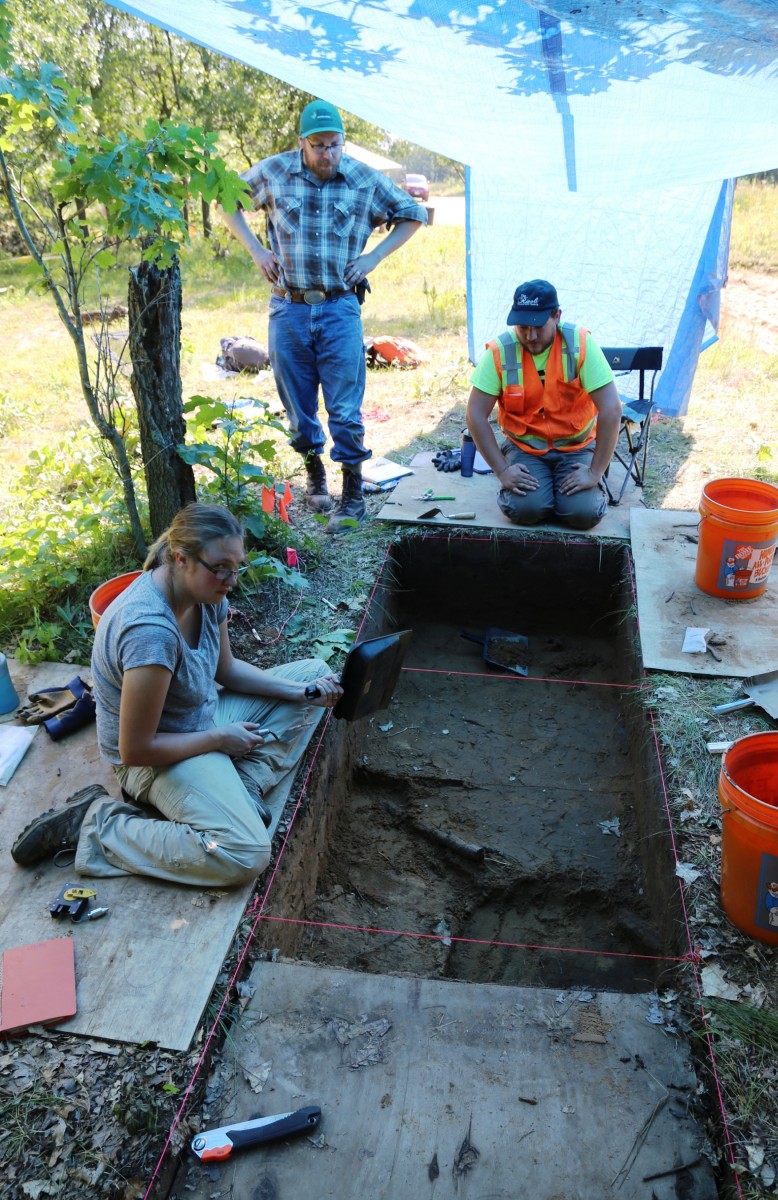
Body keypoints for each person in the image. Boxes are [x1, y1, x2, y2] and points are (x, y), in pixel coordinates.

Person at [11, 504, 342, 887]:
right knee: (244, 852)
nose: (231, 580)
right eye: (221, 568)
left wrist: (302, 692)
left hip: (198, 719)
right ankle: (95, 823)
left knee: (314, 675)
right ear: (181, 558)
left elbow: (227, 671)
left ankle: (244, 783)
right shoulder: (150, 633)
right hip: (152, 760)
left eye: (237, 567)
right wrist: (219, 738)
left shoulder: (208, 595)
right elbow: (135, 749)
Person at [221, 98, 428, 530]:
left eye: (335, 145)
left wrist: (373, 258)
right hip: (289, 307)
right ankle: (315, 475)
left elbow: (413, 214)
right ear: (302, 143)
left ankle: (352, 496)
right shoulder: (275, 171)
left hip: (339, 307)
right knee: (297, 406)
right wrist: (256, 250)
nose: (328, 155)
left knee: (346, 409)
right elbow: (226, 199)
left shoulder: (362, 179)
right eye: (318, 146)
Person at [466, 279, 622, 530]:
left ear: (556, 316)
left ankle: (565, 496)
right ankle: (546, 497)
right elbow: (475, 414)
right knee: (526, 510)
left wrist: (594, 472)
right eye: (523, 327)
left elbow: (612, 410)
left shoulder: (579, 344)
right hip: (525, 449)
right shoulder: (501, 350)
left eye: (538, 326)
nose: (531, 335)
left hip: (576, 448)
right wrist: (503, 470)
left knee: (583, 515)